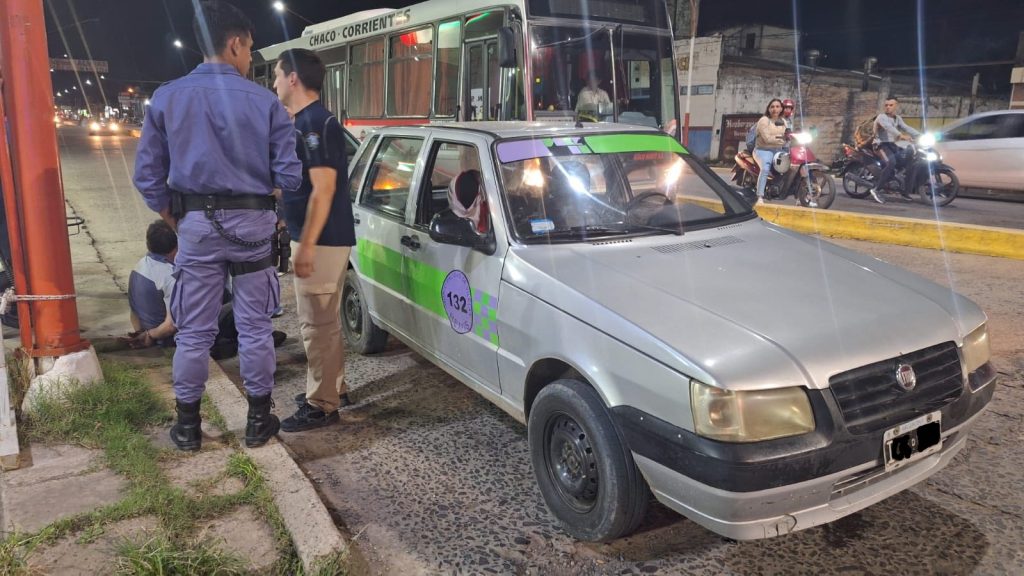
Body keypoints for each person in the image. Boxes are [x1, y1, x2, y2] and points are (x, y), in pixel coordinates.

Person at [133, 0, 302, 451]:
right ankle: (258, 422)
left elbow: (147, 177)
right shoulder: (267, 103)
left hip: (196, 231)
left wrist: (175, 216)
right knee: (254, 328)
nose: (250, 60)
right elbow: (289, 176)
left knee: (194, 332)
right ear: (235, 43)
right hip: (253, 231)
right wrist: (269, 209)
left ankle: (188, 427)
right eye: (250, 51)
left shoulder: (167, 97)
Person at [272, 48, 357, 432]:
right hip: (322, 239)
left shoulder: (313, 123)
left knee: (316, 325)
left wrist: (305, 245)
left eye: (276, 75)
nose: (273, 83)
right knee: (326, 322)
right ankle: (331, 387)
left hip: (320, 242)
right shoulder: (309, 121)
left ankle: (322, 404)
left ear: (293, 78)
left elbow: (324, 189)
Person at [124, 220, 287, 357]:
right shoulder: (170, 277)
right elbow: (172, 324)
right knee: (243, 301)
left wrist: (142, 332)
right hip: (173, 336)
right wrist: (150, 336)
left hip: (157, 332)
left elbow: (134, 312)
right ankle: (257, 340)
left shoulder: (140, 266)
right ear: (176, 246)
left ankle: (241, 338)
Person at [870, 96, 920, 204]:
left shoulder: (897, 118)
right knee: (891, 162)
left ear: (896, 106)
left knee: (911, 162)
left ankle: (905, 191)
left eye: (891, 105)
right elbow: (889, 128)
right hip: (880, 145)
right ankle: (876, 189)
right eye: (886, 105)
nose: (888, 107)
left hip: (892, 145)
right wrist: (901, 135)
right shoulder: (881, 117)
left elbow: (906, 127)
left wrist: (920, 135)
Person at [752, 98, 788, 205]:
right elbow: (767, 139)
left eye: (777, 106)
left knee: (791, 167)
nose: (775, 109)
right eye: (772, 107)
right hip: (763, 150)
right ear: (768, 109)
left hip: (778, 150)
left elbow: (788, 135)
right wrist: (782, 139)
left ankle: (798, 198)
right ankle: (760, 196)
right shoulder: (764, 120)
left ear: (781, 108)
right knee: (765, 168)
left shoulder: (783, 121)